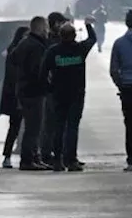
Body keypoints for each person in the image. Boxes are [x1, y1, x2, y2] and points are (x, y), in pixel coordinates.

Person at [40, 17, 98, 172]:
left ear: (60, 36)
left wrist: (49, 88)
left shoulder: (53, 52)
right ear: (74, 36)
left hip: (58, 94)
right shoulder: (80, 49)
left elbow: (42, 72)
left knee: (58, 127)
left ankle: (57, 160)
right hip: (77, 94)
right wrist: (87, 24)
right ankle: (71, 160)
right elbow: (93, 39)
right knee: (72, 127)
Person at [10, 17, 52, 171]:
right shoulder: (36, 46)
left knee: (33, 126)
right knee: (34, 128)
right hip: (33, 91)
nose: (47, 30)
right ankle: (28, 160)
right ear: (40, 28)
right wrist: (47, 85)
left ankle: (35, 158)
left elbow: (13, 58)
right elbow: (38, 71)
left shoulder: (25, 42)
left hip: (23, 88)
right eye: (46, 27)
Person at [110, 9, 132, 172]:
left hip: (127, 88)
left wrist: (121, 85)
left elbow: (114, 70)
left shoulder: (119, 43)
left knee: (130, 124)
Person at [40, 12, 69, 168]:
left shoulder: (54, 41)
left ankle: (62, 153)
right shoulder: (49, 43)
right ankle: (47, 154)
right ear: (56, 24)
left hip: (61, 87)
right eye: (62, 23)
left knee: (61, 124)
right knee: (51, 124)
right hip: (53, 89)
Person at [0, 26, 30, 169]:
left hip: (27, 94)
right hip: (17, 95)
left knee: (29, 128)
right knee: (15, 127)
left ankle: (28, 154)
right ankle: (7, 156)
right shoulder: (14, 53)